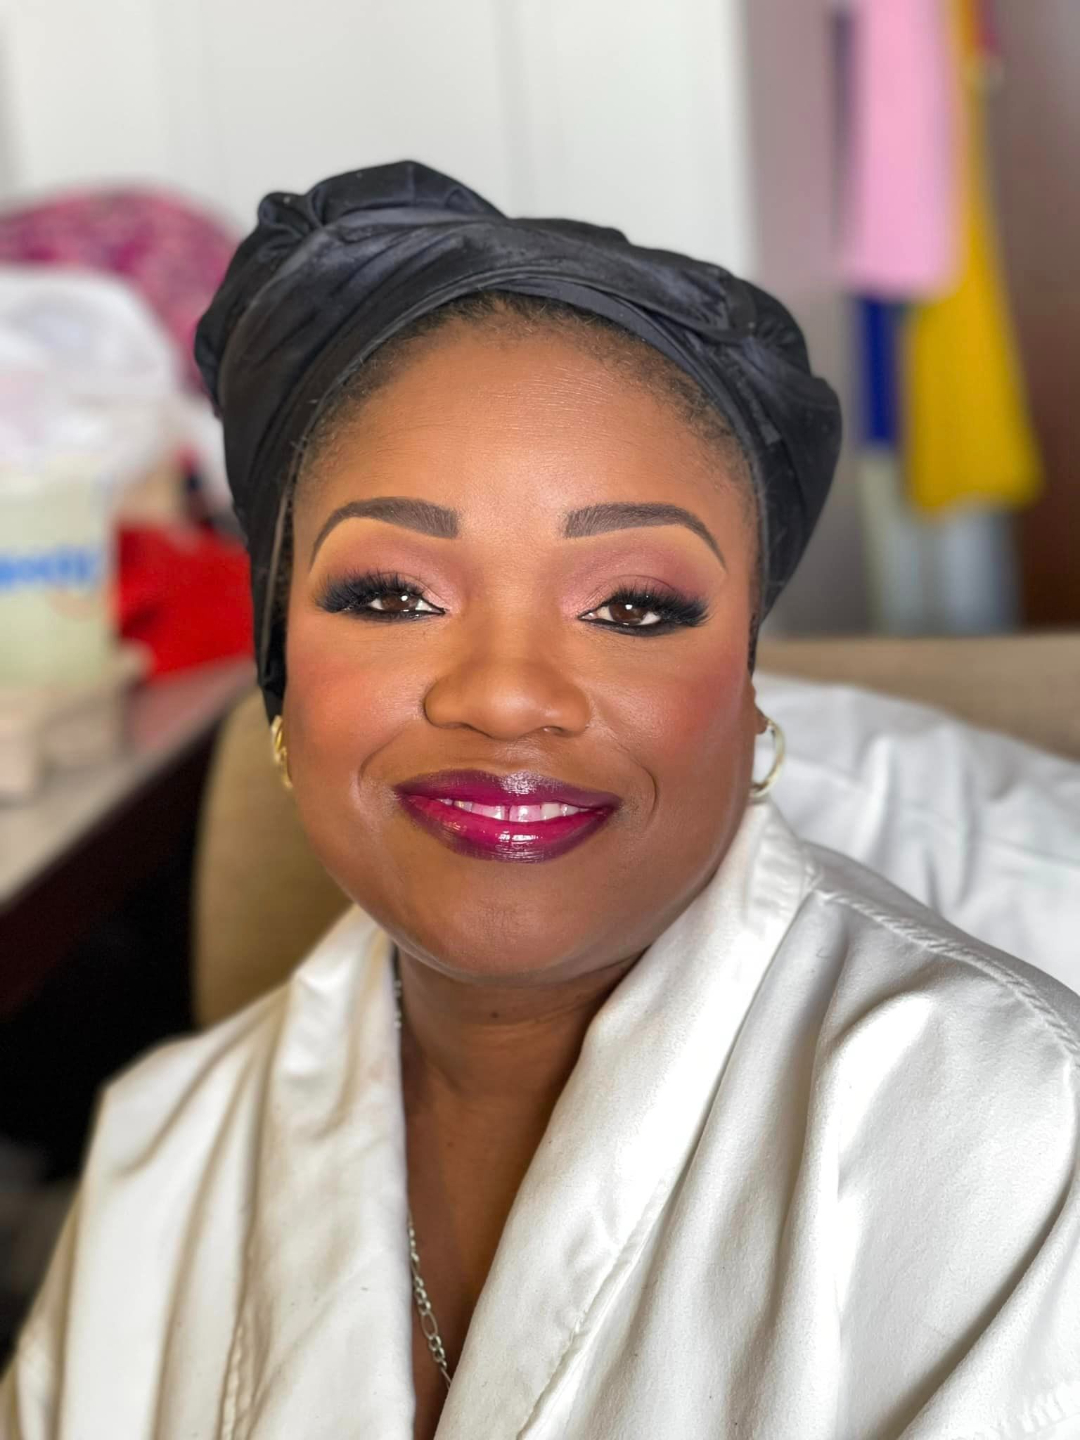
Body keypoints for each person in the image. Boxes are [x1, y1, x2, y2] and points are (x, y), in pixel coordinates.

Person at [3, 161, 1078, 1440]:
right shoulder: (156, 1162)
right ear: (283, 687)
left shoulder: (1019, 1145)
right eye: (392, 595)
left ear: (745, 697)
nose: (507, 697)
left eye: (633, 607)